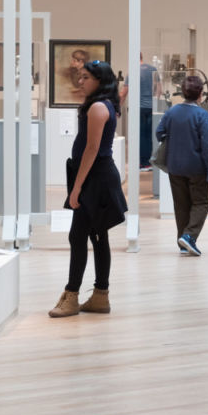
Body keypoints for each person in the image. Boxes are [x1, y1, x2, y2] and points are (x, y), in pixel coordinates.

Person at [49, 60, 128, 318]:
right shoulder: (106, 105)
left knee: (79, 236)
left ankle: (71, 296)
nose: (80, 81)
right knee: (96, 236)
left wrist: (77, 188)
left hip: (96, 178)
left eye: (85, 77)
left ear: (99, 80)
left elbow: (91, 150)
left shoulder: (97, 108)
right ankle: (100, 296)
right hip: (100, 177)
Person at [156, 74, 208, 257]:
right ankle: (189, 237)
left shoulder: (171, 112)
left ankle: (183, 243)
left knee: (181, 205)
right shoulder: (202, 115)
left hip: (175, 166)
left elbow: (160, 133)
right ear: (201, 94)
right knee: (202, 201)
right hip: (196, 167)